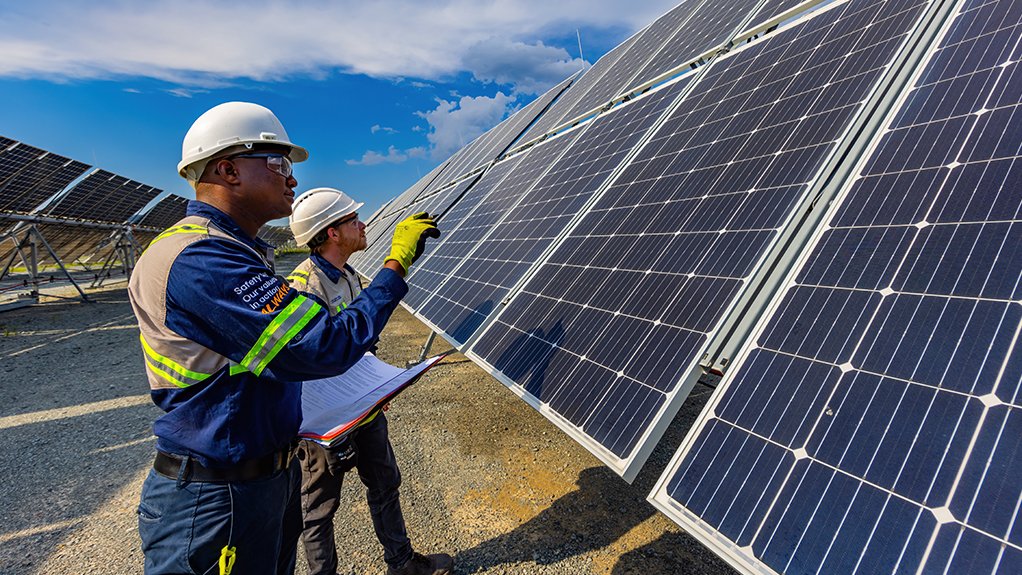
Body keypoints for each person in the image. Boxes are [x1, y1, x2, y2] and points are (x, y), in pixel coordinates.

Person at [127, 101, 439, 575]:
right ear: (229, 170)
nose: (292, 178)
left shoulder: (237, 254)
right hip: (217, 498)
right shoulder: (201, 260)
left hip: (259, 479)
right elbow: (321, 346)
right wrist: (396, 266)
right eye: (279, 163)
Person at [287, 188, 454, 575]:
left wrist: (375, 386)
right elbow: (315, 359)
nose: (362, 225)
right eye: (352, 220)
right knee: (319, 510)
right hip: (326, 423)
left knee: (384, 483)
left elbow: (360, 338)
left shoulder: (345, 276)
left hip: (362, 407)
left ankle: (401, 564)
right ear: (331, 232)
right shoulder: (304, 287)